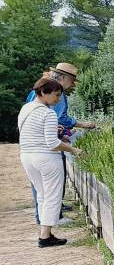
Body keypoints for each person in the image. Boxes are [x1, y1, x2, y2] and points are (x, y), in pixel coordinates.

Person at [25, 63, 95, 225]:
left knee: (39, 185)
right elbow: (60, 119)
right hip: (47, 148)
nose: (71, 87)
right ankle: (52, 217)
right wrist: (80, 127)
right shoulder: (57, 93)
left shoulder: (36, 91)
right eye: (71, 82)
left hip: (31, 146)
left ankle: (43, 217)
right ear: (63, 78)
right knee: (51, 183)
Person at [18, 77, 84, 248]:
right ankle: (45, 237)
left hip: (27, 156)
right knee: (53, 196)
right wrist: (74, 150)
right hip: (46, 158)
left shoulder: (26, 109)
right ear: (43, 93)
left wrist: (54, 129)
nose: (58, 99)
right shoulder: (48, 113)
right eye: (55, 95)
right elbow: (53, 144)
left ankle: (44, 233)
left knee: (42, 195)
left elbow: (28, 130)